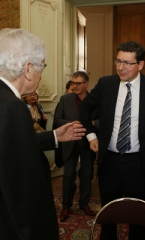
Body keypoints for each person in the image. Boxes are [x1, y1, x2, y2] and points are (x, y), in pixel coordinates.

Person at [80, 41, 145, 239]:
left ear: (140, 65)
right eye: (118, 61)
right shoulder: (106, 84)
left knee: (137, 216)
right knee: (108, 213)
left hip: (139, 162)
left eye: (127, 63)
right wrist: (91, 135)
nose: (120, 67)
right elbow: (85, 108)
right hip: (109, 161)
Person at [0, 28, 86, 239]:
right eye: (43, 66)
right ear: (28, 69)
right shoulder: (13, 107)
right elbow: (21, 190)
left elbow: (9, 146)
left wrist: (54, 136)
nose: (41, 74)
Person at [53, 71, 98, 221]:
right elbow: (57, 120)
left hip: (87, 143)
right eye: (73, 83)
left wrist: (93, 123)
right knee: (68, 175)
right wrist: (70, 124)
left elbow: (103, 120)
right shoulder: (65, 99)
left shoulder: (95, 100)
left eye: (78, 83)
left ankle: (84, 204)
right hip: (69, 142)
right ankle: (66, 206)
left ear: (86, 84)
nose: (75, 86)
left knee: (86, 175)